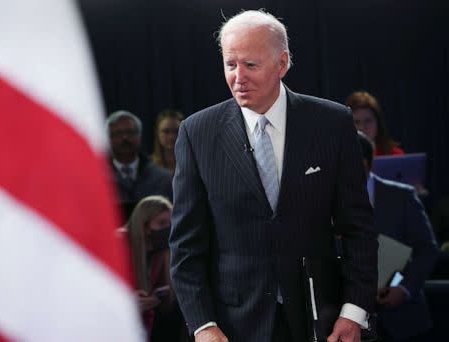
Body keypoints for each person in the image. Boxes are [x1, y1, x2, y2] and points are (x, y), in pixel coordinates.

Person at [169, 10, 378, 342]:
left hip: (319, 318)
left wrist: (354, 311)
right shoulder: (198, 134)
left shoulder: (332, 124)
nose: (238, 77)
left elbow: (359, 230)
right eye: (230, 64)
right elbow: (185, 248)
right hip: (233, 325)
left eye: (250, 65)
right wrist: (203, 325)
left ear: (282, 64)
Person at [356, 132, 439, 341]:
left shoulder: (402, 196)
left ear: (363, 164)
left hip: (403, 321)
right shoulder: (326, 201)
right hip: (354, 325)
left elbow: (427, 249)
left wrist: (403, 288)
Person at [125, 196, 183, 341]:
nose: (168, 229)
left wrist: (157, 299)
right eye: (161, 223)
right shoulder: (118, 244)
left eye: (170, 223)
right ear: (143, 226)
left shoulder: (162, 251)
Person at [106, 110, 173, 219]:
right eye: (117, 133)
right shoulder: (97, 180)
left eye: (130, 132)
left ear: (140, 135)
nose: (125, 138)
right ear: (108, 139)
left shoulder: (164, 179)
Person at [346, 91, 404, 156]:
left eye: (368, 121)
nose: (362, 127)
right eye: (356, 122)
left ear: (378, 123)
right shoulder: (339, 157)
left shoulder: (395, 155)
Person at [151, 109, 184, 174]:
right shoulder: (149, 166)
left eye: (176, 131)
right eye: (166, 131)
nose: (171, 137)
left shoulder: (194, 163)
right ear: (157, 133)